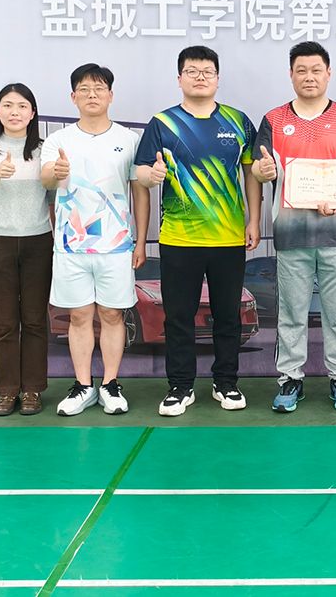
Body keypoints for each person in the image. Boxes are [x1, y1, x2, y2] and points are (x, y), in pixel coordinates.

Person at [135, 46, 262, 417]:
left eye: (207, 71)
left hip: (228, 237)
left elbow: (252, 173)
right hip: (179, 238)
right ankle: (180, 387)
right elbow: (140, 173)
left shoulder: (238, 122)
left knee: (228, 316)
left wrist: (254, 220)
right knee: (179, 317)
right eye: (192, 71)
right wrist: (152, 175)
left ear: (218, 78)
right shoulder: (163, 123)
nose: (200, 77)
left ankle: (227, 383)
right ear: (179, 79)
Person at [250, 41, 336, 412]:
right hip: (291, 235)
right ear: (291, 74)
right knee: (291, 312)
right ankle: (290, 379)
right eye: (301, 70)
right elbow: (258, 167)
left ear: (328, 73)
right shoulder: (273, 119)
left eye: (316, 69)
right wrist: (263, 170)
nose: (309, 77)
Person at [40, 64, 148, 416]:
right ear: (73, 97)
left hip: (116, 245)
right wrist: (55, 173)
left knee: (113, 314)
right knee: (79, 315)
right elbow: (46, 179)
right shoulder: (58, 140)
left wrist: (141, 241)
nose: (92, 95)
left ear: (111, 95)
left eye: (99, 88)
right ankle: (83, 385)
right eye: (84, 89)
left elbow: (140, 191)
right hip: (71, 246)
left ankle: (111, 385)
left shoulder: (129, 140)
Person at [0, 83, 53, 417]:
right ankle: (7, 391)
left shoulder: (45, 149)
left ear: (32, 113)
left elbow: (53, 192)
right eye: (7, 105)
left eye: (21, 106)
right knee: (5, 323)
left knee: (34, 320)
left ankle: (32, 389)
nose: (14, 112)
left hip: (38, 242)